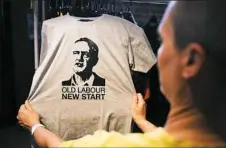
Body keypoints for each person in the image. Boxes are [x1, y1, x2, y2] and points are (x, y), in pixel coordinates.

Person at [17, 1, 226, 147]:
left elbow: (58, 146)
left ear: (191, 60)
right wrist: (142, 122)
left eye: (162, 42)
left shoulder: (112, 144)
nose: (157, 53)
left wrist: (34, 125)